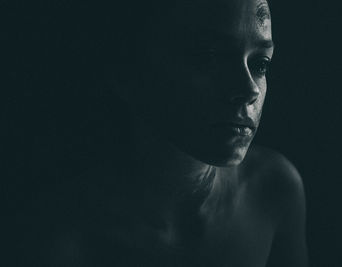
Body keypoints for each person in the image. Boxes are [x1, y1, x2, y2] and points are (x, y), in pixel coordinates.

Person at [25, 0, 308, 266]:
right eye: (208, 57)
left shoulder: (273, 190)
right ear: (126, 72)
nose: (249, 90)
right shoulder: (64, 242)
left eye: (260, 64)